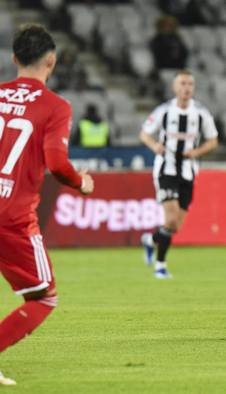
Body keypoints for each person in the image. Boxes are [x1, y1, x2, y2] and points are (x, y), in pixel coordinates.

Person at [0, 24, 94, 385]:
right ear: (51, 61)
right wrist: (82, 183)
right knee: (43, 298)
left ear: (14, 59)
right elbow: (56, 163)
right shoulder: (55, 106)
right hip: (11, 217)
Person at [139, 70, 218, 279]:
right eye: (182, 83)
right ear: (175, 87)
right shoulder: (164, 111)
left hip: (188, 173)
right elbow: (144, 133)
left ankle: (150, 239)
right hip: (166, 170)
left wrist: (196, 152)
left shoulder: (201, 113)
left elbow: (213, 140)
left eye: (190, 84)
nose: (186, 87)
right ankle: (160, 265)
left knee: (176, 225)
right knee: (171, 219)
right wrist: (155, 145)